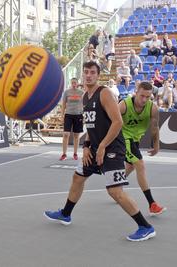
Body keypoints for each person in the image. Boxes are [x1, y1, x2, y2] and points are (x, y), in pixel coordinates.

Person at [44, 61, 155, 242]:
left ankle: (146, 226)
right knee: (78, 177)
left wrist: (102, 146)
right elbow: (92, 127)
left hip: (112, 149)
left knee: (115, 192)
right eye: (86, 72)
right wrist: (86, 147)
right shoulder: (85, 97)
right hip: (95, 148)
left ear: (98, 75)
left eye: (92, 72)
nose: (88, 75)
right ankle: (65, 214)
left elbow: (118, 122)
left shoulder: (104, 94)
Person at [119, 82, 166, 216]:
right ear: (136, 92)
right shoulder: (124, 105)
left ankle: (115, 185)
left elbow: (154, 127)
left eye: (148, 96)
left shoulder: (153, 108)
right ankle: (152, 204)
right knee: (140, 164)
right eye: (142, 96)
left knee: (130, 167)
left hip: (135, 139)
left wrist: (156, 145)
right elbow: (111, 121)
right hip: (123, 138)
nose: (144, 99)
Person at [60, 77, 84, 161]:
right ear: (70, 83)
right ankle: (64, 154)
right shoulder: (67, 92)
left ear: (77, 83)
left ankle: (75, 153)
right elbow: (63, 104)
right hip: (68, 115)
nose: (74, 84)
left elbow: (84, 104)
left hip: (78, 115)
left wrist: (83, 114)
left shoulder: (81, 92)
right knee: (66, 134)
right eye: (72, 83)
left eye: (75, 83)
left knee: (76, 135)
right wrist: (62, 115)